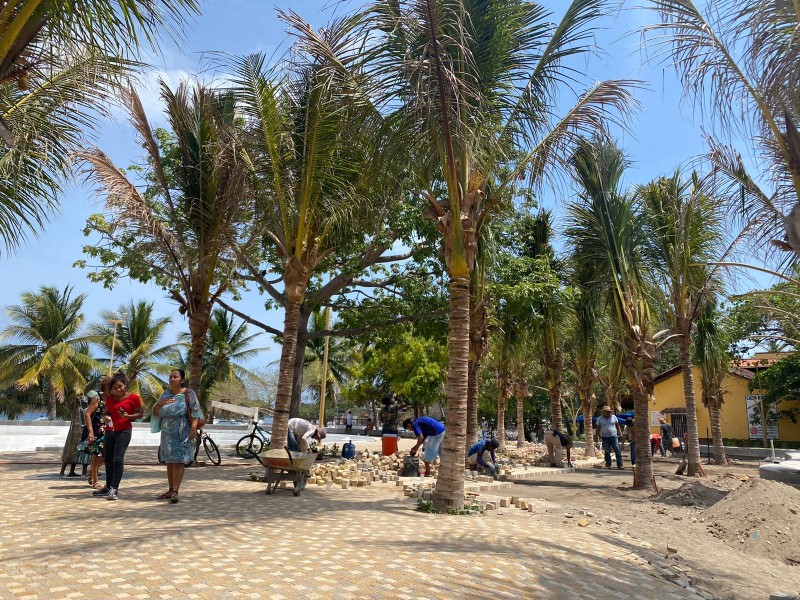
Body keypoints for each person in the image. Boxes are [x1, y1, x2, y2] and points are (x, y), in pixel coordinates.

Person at [153, 369, 204, 504]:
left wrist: (193, 427)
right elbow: (156, 412)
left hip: (182, 430)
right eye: (170, 377)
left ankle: (175, 490)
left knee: (179, 460)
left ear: (182, 380)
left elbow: (196, 410)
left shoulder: (189, 393)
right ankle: (170, 489)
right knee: (170, 462)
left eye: (175, 377)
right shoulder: (165, 394)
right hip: (167, 432)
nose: (172, 379)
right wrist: (160, 404)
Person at [94, 372, 142, 500]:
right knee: (108, 459)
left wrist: (128, 416)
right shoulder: (110, 399)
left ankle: (115, 488)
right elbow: (106, 412)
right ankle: (108, 486)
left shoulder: (133, 398)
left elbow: (140, 414)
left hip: (124, 431)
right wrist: (107, 417)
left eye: (120, 387)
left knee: (118, 459)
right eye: (115, 388)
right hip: (110, 431)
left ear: (125, 385)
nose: (117, 390)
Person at [83, 377, 110, 489]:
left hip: (109, 430)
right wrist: (90, 432)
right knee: (96, 455)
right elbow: (87, 414)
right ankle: (95, 480)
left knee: (106, 457)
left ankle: (92, 472)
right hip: (97, 431)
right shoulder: (97, 398)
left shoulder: (113, 399)